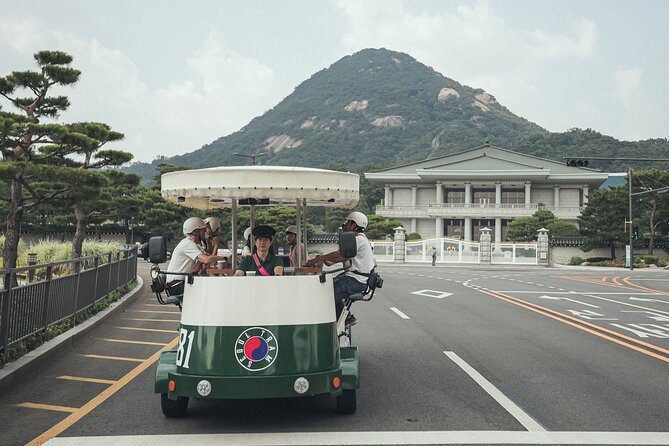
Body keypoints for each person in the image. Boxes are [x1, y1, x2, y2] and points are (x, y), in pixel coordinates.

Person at [304, 211, 374, 325]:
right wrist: (323, 259)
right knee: (330, 286)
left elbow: (338, 254)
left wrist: (318, 259)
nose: (344, 225)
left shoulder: (358, 240)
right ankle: (342, 319)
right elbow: (342, 257)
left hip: (355, 280)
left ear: (354, 225)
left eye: (348, 223)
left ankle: (344, 319)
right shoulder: (360, 239)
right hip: (355, 279)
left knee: (329, 293)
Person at [166, 217, 226, 296]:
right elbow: (206, 260)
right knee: (212, 292)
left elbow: (210, 261)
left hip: (183, 282)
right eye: (203, 230)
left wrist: (213, 244)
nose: (205, 232)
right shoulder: (187, 244)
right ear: (196, 231)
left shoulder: (195, 245)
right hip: (177, 285)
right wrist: (225, 258)